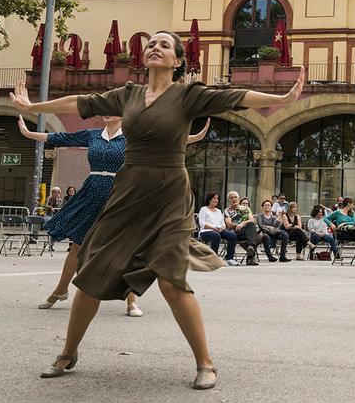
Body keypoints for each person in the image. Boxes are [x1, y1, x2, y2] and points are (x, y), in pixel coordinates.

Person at [11, 29, 304, 388]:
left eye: (165, 45)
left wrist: (282, 97)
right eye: (152, 43)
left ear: (177, 61)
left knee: (170, 280)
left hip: (169, 195)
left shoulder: (187, 96)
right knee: (90, 274)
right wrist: (34, 108)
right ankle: (68, 353)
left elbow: (234, 96)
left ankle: (205, 363)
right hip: (128, 191)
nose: (155, 47)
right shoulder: (128, 95)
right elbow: (82, 101)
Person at [15, 115, 214, 316]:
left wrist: (195, 137)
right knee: (78, 246)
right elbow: (61, 137)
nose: (108, 112)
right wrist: (28, 133)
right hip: (92, 194)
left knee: (127, 249)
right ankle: (60, 290)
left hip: (122, 194)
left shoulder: (133, 136)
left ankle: (131, 301)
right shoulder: (92, 135)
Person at [197, 192, 239, 265]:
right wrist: (214, 228)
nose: (216, 200)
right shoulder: (204, 209)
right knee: (216, 235)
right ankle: (214, 258)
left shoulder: (218, 211)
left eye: (217, 199)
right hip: (206, 231)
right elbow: (202, 223)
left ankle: (229, 258)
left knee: (232, 235)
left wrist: (222, 228)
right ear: (209, 200)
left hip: (219, 230)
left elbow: (223, 223)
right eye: (214, 198)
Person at [224, 191, 263, 265]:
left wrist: (242, 224)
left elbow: (252, 220)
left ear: (239, 199)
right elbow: (229, 224)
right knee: (256, 235)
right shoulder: (227, 210)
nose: (234, 199)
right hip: (236, 232)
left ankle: (251, 247)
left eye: (235, 197)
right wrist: (237, 226)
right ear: (228, 200)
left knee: (252, 226)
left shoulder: (245, 208)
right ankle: (250, 257)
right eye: (231, 198)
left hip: (248, 231)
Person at [326, 197, 355, 265]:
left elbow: (354, 223)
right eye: (352, 204)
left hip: (353, 232)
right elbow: (326, 219)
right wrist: (331, 224)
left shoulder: (352, 213)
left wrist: (344, 223)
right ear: (348, 204)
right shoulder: (338, 212)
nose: (353, 206)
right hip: (343, 233)